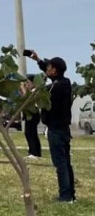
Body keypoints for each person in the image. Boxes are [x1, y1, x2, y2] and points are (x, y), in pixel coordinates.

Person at [29, 51, 75, 203]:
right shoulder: (65, 82)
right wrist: (38, 60)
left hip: (56, 129)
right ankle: (70, 195)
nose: (46, 69)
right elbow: (51, 77)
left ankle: (65, 196)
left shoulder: (55, 88)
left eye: (49, 67)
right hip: (63, 129)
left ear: (54, 70)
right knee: (66, 162)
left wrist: (32, 89)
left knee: (60, 163)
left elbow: (43, 91)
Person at [20, 75, 42, 159]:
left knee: (30, 133)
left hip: (33, 114)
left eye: (28, 82)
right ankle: (36, 152)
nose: (27, 84)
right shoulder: (31, 91)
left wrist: (23, 89)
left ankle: (33, 152)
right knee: (32, 133)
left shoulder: (35, 91)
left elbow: (27, 99)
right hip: (29, 114)